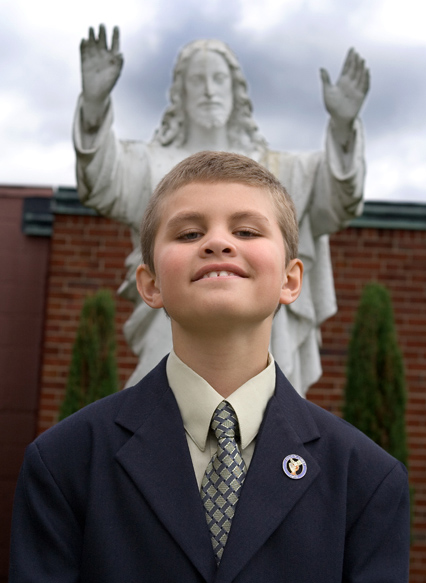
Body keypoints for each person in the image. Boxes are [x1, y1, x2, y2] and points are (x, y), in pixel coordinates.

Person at [9, 152, 410, 583]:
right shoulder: (64, 462)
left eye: (246, 230)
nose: (218, 243)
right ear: (151, 283)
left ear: (291, 280)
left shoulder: (367, 478)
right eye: (190, 232)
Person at [73, 26, 370, 396]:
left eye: (245, 231)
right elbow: (100, 182)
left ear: (236, 91)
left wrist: (343, 127)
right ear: (179, 93)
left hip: (265, 339)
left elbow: (337, 200)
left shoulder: (281, 170)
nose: (210, 90)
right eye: (189, 233)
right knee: (155, 425)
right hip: (168, 331)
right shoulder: (149, 163)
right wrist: (95, 105)